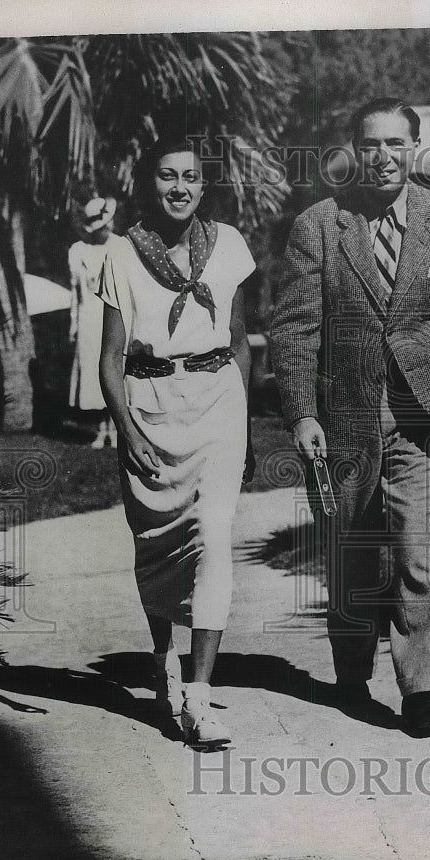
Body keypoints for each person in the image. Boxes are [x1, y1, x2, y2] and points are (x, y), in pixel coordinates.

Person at [269, 97, 430, 734]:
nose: (384, 158)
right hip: (345, 415)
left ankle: (420, 690)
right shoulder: (321, 225)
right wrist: (303, 413)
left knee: (420, 551)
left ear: (414, 149)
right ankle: (353, 669)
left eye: (396, 145)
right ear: (354, 151)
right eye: (371, 146)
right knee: (354, 548)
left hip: (419, 414)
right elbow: (295, 328)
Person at [97, 133, 255, 748]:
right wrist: (127, 430)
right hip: (150, 405)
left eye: (190, 177)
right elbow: (110, 360)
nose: (180, 188)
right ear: (149, 183)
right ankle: (162, 660)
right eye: (167, 176)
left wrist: (242, 420)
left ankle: (198, 692)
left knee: (213, 537)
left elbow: (240, 338)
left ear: (204, 185)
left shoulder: (230, 247)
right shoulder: (120, 254)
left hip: (217, 399)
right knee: (158, 545)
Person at [68, 196, 120, 448]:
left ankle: (117, 428)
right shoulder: (78, 250)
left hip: (115, 316)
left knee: (117, 369)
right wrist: (74, 324)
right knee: (93, 373)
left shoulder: (121, 247)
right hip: (89, 318)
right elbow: (75, 292)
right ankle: (101, 429)